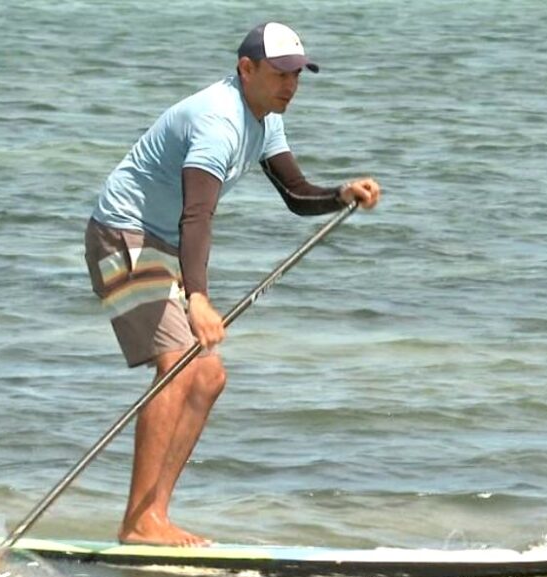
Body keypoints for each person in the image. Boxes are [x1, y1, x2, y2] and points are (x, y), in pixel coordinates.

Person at [84, 22, 381, 547]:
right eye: (280, 74)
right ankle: (137, 523)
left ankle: (154, 516)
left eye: (298, 75)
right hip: (122, 234)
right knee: (177, 363)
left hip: (163, 242)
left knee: (208, 376)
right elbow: (197, 215)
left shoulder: (265, 120)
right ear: (247, 69)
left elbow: (294, 194)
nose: (290, 86)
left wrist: (340, 193)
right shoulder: (218, 121)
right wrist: (198, 297)